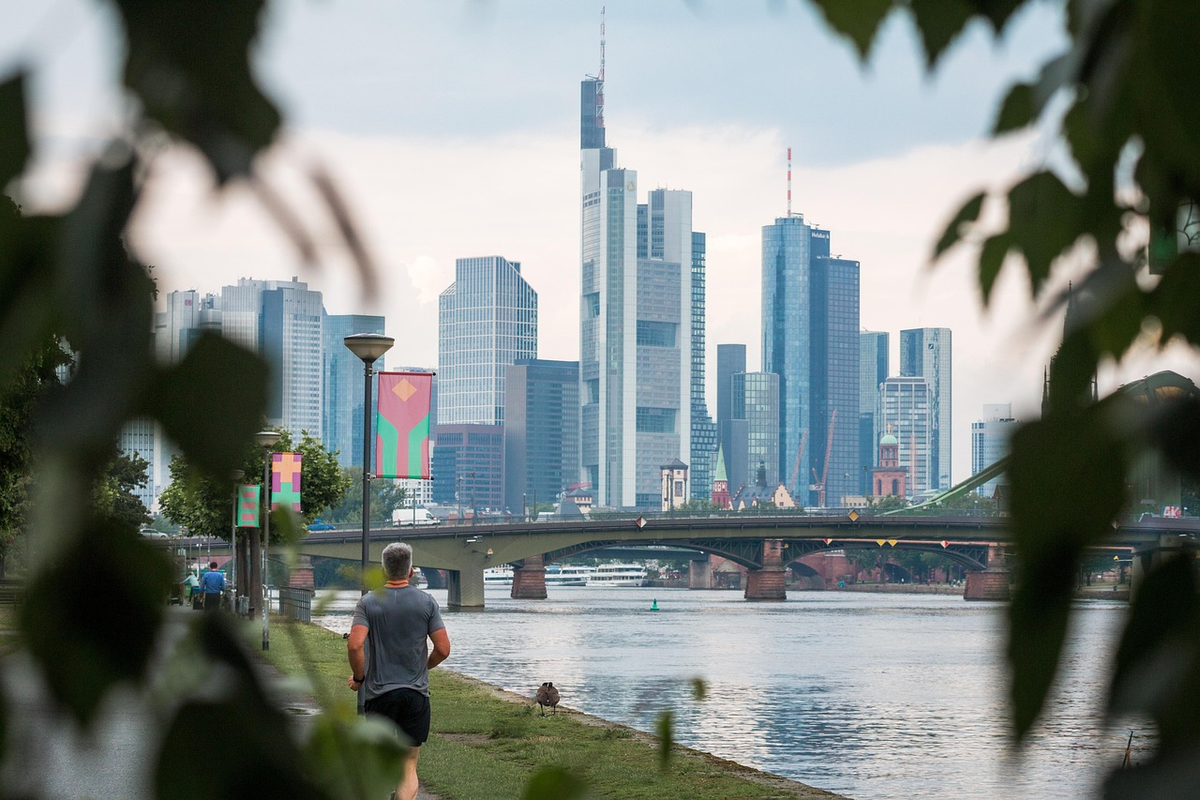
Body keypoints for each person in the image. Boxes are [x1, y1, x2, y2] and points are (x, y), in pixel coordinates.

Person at [347, 542, 450, 800]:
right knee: (408, 764)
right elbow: (443, 649)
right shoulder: (427, 602)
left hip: (379, 695)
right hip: (415, 694)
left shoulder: (368, 603)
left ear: (383, 571)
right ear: (411, 571)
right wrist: (422, 667)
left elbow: (355, 644)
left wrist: (360, 678)